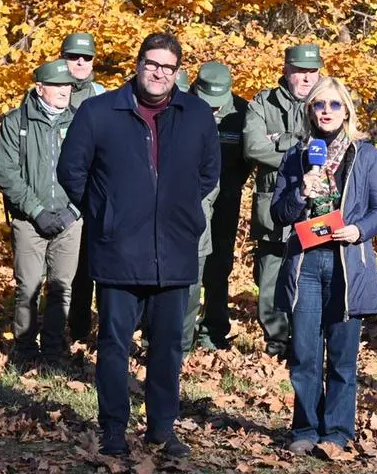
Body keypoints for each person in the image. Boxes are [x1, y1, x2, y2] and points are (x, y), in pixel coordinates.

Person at [57, 33, 220, 457]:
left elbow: (208, 173)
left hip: (175, 250)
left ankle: (162, 428)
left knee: (167, 346)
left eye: (168, 66)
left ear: (177, 70)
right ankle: (113, 428)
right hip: (118, 250)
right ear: (138, 63)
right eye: (152, 63)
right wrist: (105, 212)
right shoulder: (99, 112)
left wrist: (176, 212)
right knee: (114, 344)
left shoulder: (198, 114)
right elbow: (71, 170)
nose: (159, 72)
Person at [270, 77, 377, 458]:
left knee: (342, 354)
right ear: (310, 111)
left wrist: (358, 230)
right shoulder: (297, 154)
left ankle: (336, 432)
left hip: (346, 263)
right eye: (319, 105)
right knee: (304, 352)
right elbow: (279, 213)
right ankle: (304, 427)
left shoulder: (366, 155)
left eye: (334, 105)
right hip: (305, 262)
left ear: (347, 111)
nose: (326, 111)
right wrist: (300, 190)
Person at [0, 59, 82, 367]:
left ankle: (54, 351)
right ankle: (25, 350)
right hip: (29, 220)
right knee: (28, 286)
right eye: (57, 85)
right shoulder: (16, 122)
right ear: (40, 87)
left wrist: (73, 211)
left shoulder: (80, 122)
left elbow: (94, 170)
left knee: (62, 287)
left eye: (68, 86)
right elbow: (6, 173)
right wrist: (36, 210)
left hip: (70, 221)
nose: (64, 91)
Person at [243, 43, 323, 357]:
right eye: (299, 71)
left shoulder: (326, 102)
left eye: (312, 72)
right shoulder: (263, 103)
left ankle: (307, 339)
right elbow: (253, 148)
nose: (306, 79)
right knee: (270, 276)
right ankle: (277, 341)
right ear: (286, 70)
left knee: (311, 272)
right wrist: (297, 146)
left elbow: (334, 148)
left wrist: (277, 142)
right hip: (271, 205)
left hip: (314, 205)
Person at [188, 62, 252, 351]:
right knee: (187, 264)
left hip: (226, 197)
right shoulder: (181, 106)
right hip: (188, 200)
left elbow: (248, 157)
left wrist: (232, 185)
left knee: (219, 264)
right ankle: (180, 333)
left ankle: (214, 330)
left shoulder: (242, 111)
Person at [62, 32, 104, 341]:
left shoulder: (103, 96)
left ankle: (87, 333)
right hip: (55, 198)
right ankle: (56, 334)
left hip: (94, 196)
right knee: (60, 274)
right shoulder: (44, 90)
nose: (80, 62)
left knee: (95, 268)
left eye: (86, 57)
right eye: (73, 56)